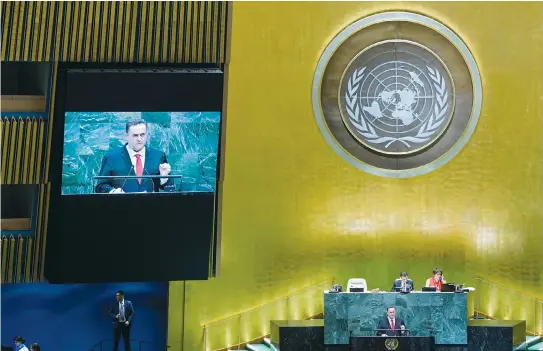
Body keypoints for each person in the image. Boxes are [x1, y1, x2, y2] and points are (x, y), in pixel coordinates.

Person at [95, 119, 172, 193]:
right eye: (135, 135)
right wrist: (112, 191)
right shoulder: (111, 157)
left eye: (142, 135)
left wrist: (164, 177)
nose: (139, 139)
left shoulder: (158, 156)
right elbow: (100, 186)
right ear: (126, 136)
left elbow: (169, 187)